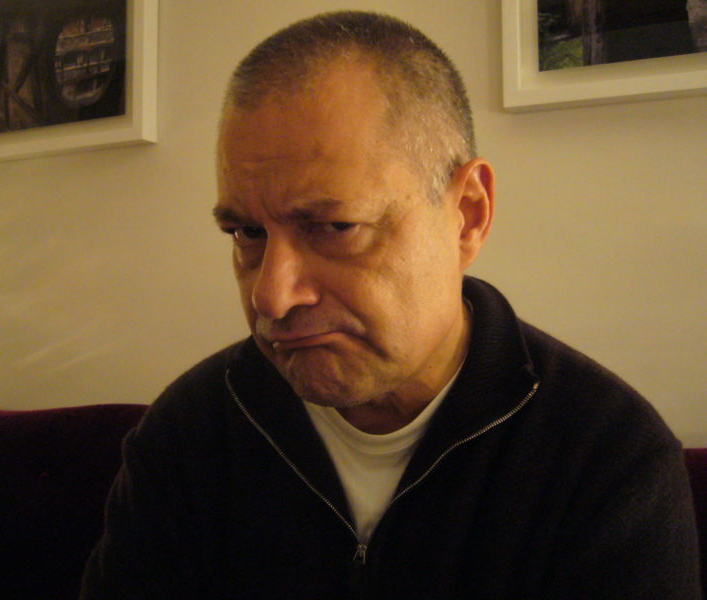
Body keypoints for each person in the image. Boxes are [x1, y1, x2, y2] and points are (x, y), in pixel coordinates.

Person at [80, 11, 701, 599]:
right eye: (247, 232)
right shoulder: (188, 434)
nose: (270, 295)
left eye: (335, 227)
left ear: (468, 215)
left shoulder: (604, 456)